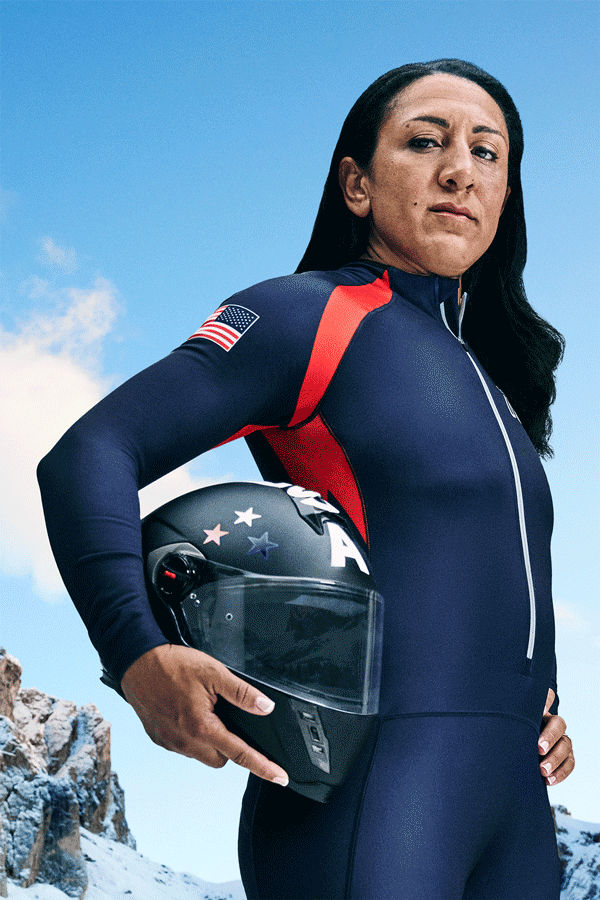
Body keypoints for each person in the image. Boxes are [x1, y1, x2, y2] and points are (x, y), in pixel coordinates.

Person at [38, 58, 576, 899]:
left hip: (515, 809)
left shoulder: (496, 387)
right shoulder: (307, 316)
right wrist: (137, 654)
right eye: (425, 141)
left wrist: (533, 708)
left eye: (488, 152)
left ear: (504, 197)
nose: (459, 169)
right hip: (366, 796)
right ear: (357, 184)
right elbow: (90, 455)